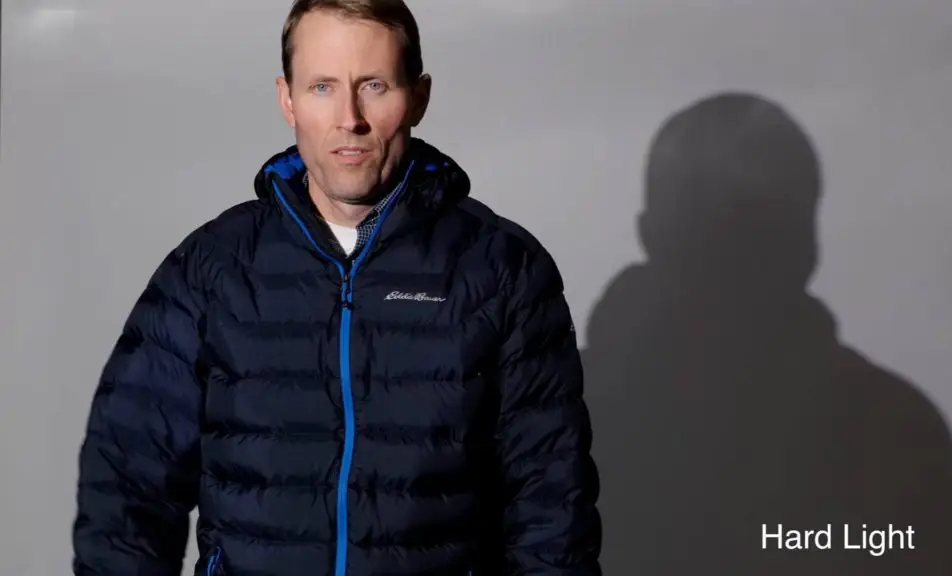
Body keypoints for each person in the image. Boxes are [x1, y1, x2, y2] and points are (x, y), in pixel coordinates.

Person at [71, 1, 602, 574]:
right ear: (287, 98)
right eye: (322, 86)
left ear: (418, 97)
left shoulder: (502, 269)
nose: (350, 117)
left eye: (374, 85)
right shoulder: (211, 269)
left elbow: (551, 507)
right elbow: (125, 488)